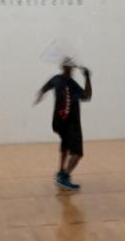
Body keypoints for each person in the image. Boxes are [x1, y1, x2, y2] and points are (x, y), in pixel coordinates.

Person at [35, 59, 92, 191]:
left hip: (61, 123)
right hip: (68, 124)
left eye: (71, 63)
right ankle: (64, 177)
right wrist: (40, 94)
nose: (71, 65)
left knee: (65, 146)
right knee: (77, 153)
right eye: (68, 63)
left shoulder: (67, 82)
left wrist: (87, 78)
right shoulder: (59, 80)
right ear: (63, 66)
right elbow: (45, 87)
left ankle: (61, 172)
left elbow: (87, 96)